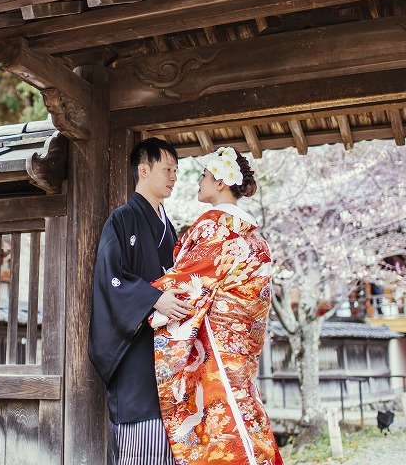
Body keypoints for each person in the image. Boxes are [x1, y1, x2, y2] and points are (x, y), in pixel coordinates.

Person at [150, 146, 283, 465]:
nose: (198, 182)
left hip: (216, 351)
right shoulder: (255, 239)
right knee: (246, 421)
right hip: (240, 352)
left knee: (223, 432)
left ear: (221, 182)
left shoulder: (216, 227)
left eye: (204, 176)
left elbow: (185, 284)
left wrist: (139, 297)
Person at [88, 137, 192, 465]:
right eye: (167, 169)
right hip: (136, 351)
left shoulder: (169, 229)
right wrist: (153, 299)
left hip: (169, 352)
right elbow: (111, 278)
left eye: (176, 170)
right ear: (143, 170)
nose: (174, 176)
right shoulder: (122, 220)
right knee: (142, 446)